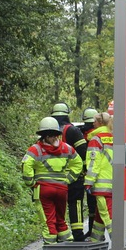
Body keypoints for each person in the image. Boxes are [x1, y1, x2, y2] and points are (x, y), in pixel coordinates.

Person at [22, 116, 83, 250]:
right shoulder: (67, 148)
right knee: (61, 219)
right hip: (62, 190)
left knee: (49, 221)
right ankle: (68, 247)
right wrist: (68, 179)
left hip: (44, 191)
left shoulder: (35, 149)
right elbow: (78, 163)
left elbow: (26, 166)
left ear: (43, 134)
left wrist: (31, 182)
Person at [51, 102, 88, 241]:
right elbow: (83, 152)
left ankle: (57, 234)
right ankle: (77, 234)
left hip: (54, 176)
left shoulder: (48, 133)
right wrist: (84, 170)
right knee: (75, 203)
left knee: (55, 206)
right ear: (67, 115)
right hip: (73, 175)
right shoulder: (72, 131)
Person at [83, 111, 114, 243]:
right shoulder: (114, 137)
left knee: (107, 214)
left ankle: (117, 242)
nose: (93, 123)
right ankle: (95, 240)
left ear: (100, 123)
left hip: (101, 184)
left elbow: (93, 163)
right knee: (100, 214)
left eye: (95, 121)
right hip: (113, 181)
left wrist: (88, 182)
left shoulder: (96, 139)